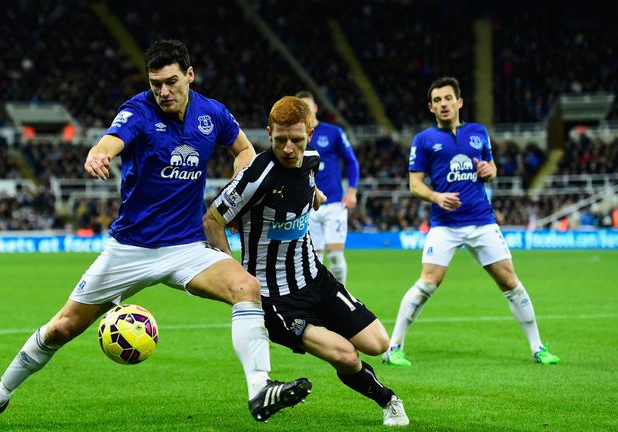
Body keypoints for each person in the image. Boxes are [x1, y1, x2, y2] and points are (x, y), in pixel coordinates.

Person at [0, 40, 311, 430]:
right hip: (131, 248)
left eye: (171, 82)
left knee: (246, 287)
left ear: (190, 75)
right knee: (62, 328)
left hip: (188, 246)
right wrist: (98, 153)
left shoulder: (213, 114)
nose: (164, 92)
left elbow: (244, 150)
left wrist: (237, 187)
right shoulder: (138, 110)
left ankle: (260, 390)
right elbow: (110, 140)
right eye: (156, 83)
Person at [202, 96, 409, 427]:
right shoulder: (255, 176)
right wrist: (233, 271)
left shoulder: (311, 161)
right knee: (345, 355)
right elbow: (211, 220)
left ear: (310, 133)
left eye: (296, 139)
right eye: (280, 139)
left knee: (379, 343)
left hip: (315, 279)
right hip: (275, 299)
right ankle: (388, 399)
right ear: (269, 133)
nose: (287, 148)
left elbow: (303, 184)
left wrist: (316, 195)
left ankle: (333, 340)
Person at [382, 77, 560, 367]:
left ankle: (538, 347)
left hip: (482, 221)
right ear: (431, 107)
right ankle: (394, 348)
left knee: (511, 283)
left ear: (459, 102)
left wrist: (490, 170)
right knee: (428, 283)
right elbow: (415, 185)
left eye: (448, 98)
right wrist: (437, 197)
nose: (443, 104)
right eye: (437, 100)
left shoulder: (479, 133)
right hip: (445, 224)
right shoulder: (424, 140)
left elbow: (491, 169)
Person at [296, 91, 359, 286]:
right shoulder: (295, 136)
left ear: (315, 108)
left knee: (335, 256)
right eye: (301, 108)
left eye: (308, 106)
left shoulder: (333, 132)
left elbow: (351, 161)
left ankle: (342, 298)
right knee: (313, 260)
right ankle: (318, 304)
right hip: (307, 206)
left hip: (334, 204)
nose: (305, 111)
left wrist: (352, 190)